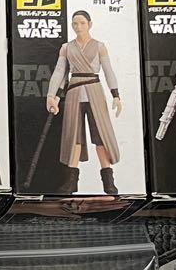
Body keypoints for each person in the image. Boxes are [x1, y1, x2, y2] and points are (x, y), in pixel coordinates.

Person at [45, 10, 122, 195]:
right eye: (75, 23)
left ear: (89, 24)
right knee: (74, 136)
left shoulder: (99, 46)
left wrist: (116, 95)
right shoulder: (66, 48)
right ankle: (71, 182)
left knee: (100, 136)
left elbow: (108, 71)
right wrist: (51, 95)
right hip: (74, 93)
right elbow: (59, 72)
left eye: (82, 23)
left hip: (94, 91)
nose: (78, 26)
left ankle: (108, 181)